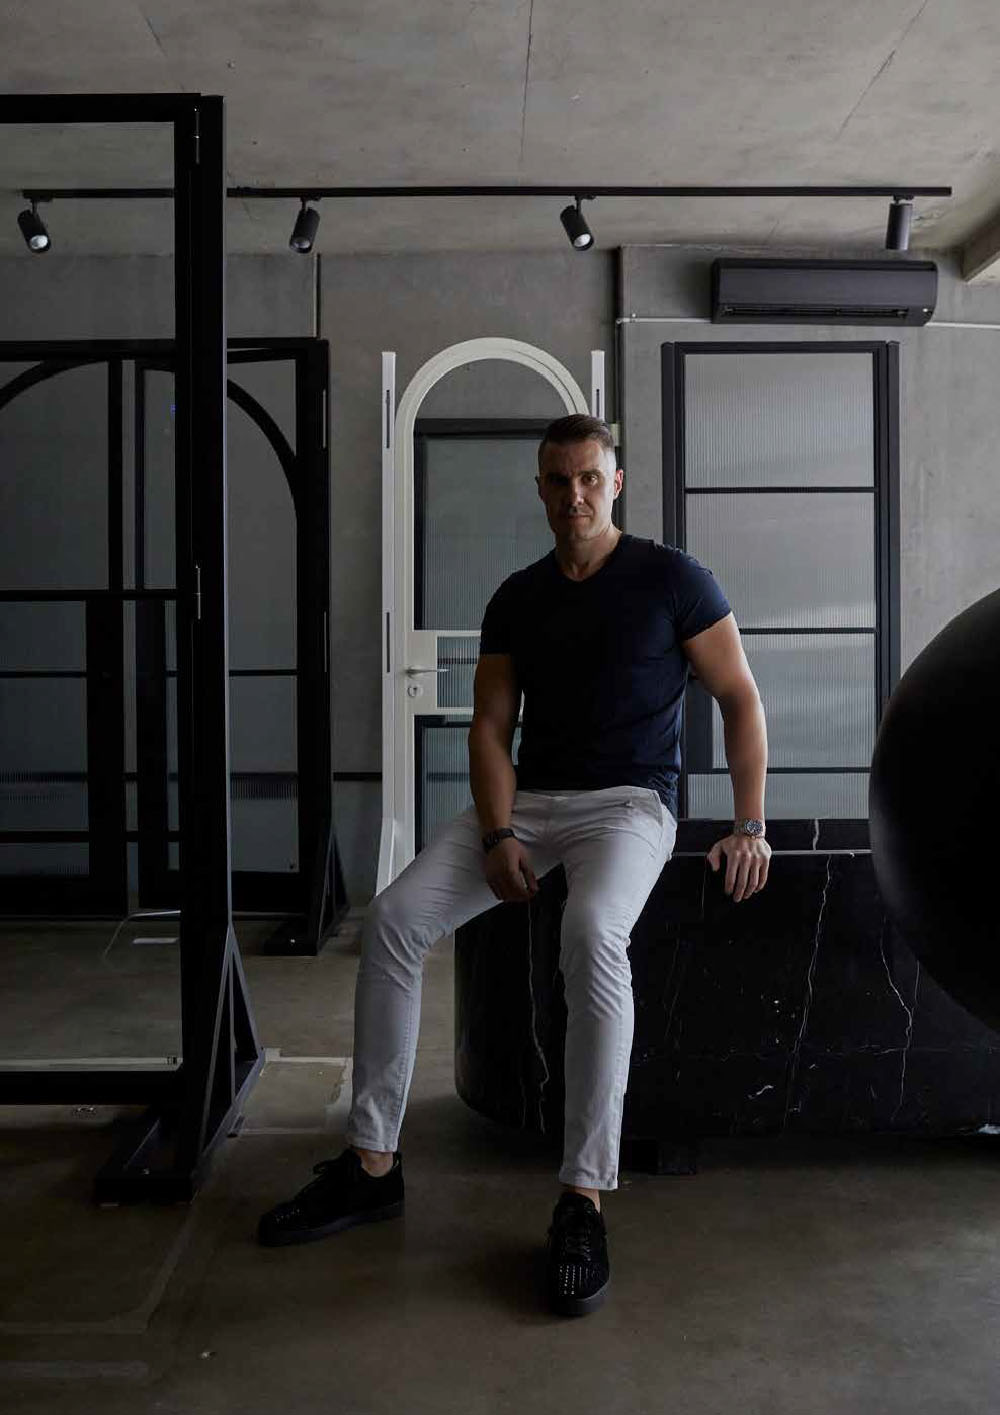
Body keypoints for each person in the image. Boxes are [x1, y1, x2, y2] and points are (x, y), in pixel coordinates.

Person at [258, 413, 771, 1318]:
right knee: (394, 919)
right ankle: (373, 1160)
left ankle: (583, 1195)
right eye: (555, 480)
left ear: (615, 482)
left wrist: (749, 823)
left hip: (630, 806)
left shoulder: (672, 579)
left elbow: (738, 696)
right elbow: (491, 727)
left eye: (587, 477)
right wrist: (498, 834)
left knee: (591, 930)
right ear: (539, 489)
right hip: (531, 805)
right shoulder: (519, 596)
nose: (572, 494)